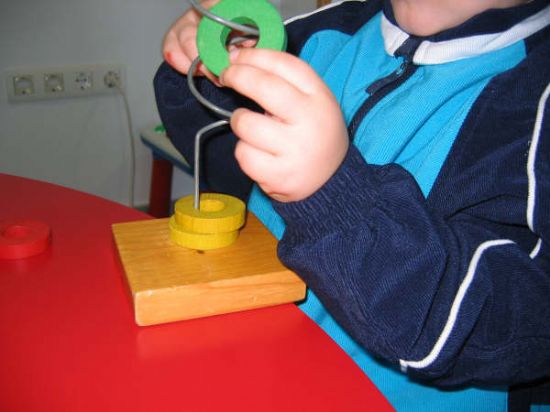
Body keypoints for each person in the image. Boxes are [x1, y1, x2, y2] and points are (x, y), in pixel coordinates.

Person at [154, 0, 550, 409]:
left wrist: (333, 197)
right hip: (255, 370)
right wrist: (201, 72)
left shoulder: (534, 97)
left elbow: (517, 325)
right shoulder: (325, 32)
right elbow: (229, 165)